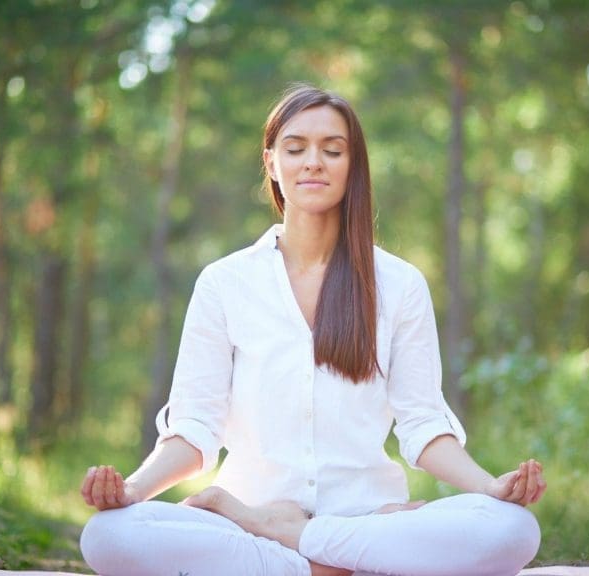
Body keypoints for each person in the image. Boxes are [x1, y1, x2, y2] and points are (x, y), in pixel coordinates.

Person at [78, 83, 546, 576]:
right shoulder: (225, 283)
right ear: (272, 164)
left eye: (333, 150)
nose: (313, 162)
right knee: (109, 536)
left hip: (366, 518)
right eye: (295, 148)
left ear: (353, 165)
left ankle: (295, 542)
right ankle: (341, 566)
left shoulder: (400, 284)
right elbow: (194, 429)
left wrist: (490, 487)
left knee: (511, 530)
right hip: (244, 518)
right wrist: (131, 490)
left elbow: (423, 425)